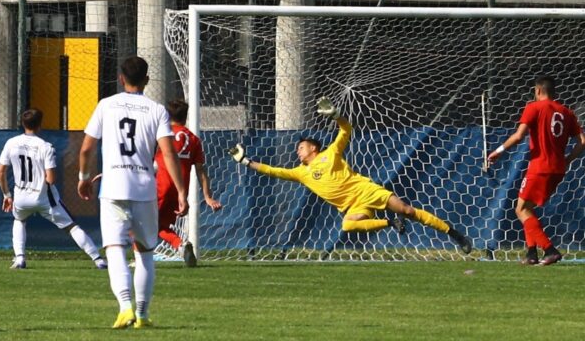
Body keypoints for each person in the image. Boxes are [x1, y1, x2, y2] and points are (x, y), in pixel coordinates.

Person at [229, 97, 472, 254]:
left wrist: (335, 116)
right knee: (348, 224)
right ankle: (390, 223)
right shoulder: (300, 173)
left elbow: (347, 129)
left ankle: (455, 235)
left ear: (314, 148)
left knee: (407, 210)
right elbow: (272, 171)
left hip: (365, 190)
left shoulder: (331, 152)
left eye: (301, 147)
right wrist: (245, 161)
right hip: (352, 205)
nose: (297, 150)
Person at [78, 56, 187, 329]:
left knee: (115, 249)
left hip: (113, 187)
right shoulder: (157, 110)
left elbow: (86, 148)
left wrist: (83, 177)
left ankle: (125, 308)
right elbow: (168, 152)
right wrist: (182, 191)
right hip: (143, 189)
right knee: (145, 252)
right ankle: (143, 315)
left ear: (120, 78)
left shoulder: (106, 105)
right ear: (147, 80)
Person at [488, 75, 585, 266]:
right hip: (558, 168)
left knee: (521, 209)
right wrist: (568, 160)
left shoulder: (533, 107)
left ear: (538, 90)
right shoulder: (566, 112)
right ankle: (531, 254)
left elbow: (518, 136)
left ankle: (550, 250)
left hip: (540, 166)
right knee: (527, 208)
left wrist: (498, 151)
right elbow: (582, 141)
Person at [0, 108, 107, 270]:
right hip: (43, 197)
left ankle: (20, 258)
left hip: (20, 196)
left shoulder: (11, 143)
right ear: (40, 125)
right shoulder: (45, 146)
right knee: (71, 226)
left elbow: (0, 173)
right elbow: (51, 178)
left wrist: (7, 195)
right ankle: (98, 260)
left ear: (23, 124)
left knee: (19, 221)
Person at [155, 99, 222, 268]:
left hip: (159, 186)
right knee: (159, 225)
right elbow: (201, 171)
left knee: (139, 222)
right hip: (179, 191)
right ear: (186, 117)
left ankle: (140, 257)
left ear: (166, 115)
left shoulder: (161, 134)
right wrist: (208, 197)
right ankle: (180, 245)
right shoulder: (193, 139)